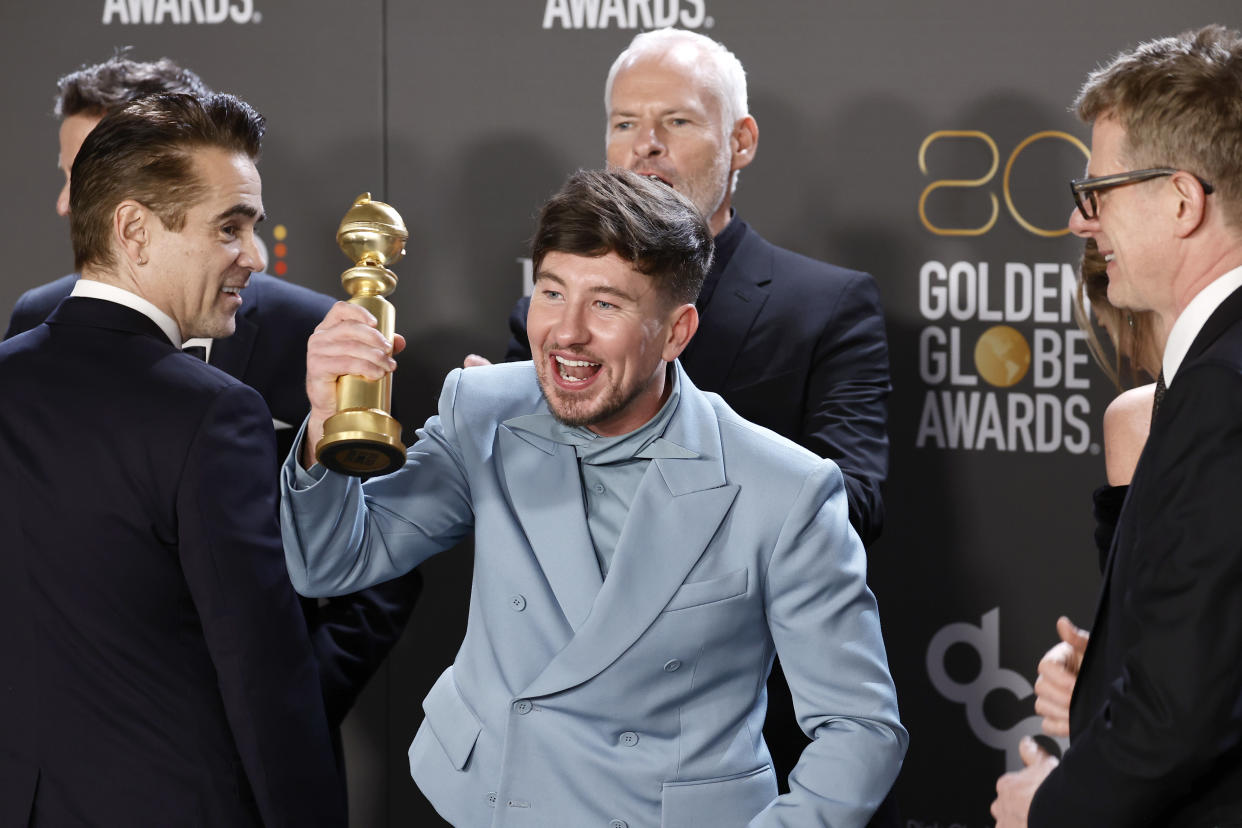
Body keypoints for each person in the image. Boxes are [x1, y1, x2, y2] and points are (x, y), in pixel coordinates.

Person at [283, 168, 906, 827]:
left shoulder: (786, 491)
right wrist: (326, 425)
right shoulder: (485, 410)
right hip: (486, 800)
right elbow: (331, 564)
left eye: (606, 304)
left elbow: (861, 728)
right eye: (552, 293)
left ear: (676, 332)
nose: (566, 332)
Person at [2, 54, 422, 743]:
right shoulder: (34, 324)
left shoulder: (320, 334)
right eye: (72, 174)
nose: (70, 201)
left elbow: (380, 566)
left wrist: (280, 712)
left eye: (93, 170)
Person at [0, 92, 345, 826]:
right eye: (231, 227)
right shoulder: (213, 413)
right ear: (134, 230)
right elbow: (263, 679)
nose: (255, 256)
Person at [477, 28, 890, 549]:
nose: (646, 145)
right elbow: (513, 498)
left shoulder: (827, 307)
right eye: (625, 123)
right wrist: (489, 433)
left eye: (677, 121)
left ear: (741, 141)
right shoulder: (550, 318)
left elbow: (854, 507)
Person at [993, 24, 1242, 827]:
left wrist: (1047, 808)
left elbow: (1181, 713)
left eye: (1096, 192)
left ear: (1181, 199)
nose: (1080, 224)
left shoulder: (1221, 390)